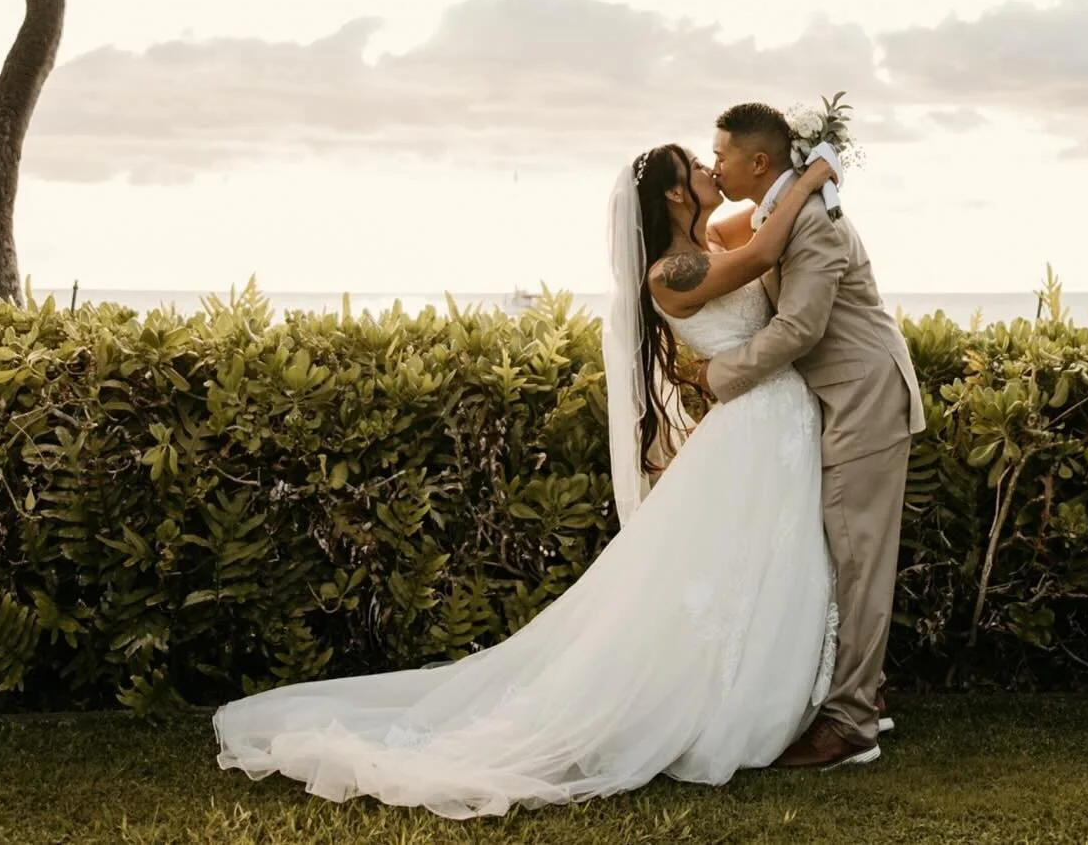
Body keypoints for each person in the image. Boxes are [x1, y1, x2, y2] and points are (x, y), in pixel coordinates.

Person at [212, 147, 841, 820]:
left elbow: (768, 223)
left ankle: (775, 694)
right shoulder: (672, 270)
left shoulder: (710, 237)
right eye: (696, 164)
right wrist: (815, 169)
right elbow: (762, 250)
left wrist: (788, 168)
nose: (709, 169)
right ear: (674, 195)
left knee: (758, 567)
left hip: (764, 425)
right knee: (741, 569)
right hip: (750, 428)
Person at [696, 102, 926, 771]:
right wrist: (820, 164)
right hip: (842, 397)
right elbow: (739, 241)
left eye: (722, 154)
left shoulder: (815, 224)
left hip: (865, 398)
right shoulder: (781, 208)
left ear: (759, 161)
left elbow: (802, 328)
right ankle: (864, 691)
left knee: (859, 557)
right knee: (840, 550)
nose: (715, 164)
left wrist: (718, 376)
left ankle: (853, 725)